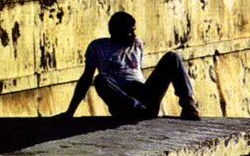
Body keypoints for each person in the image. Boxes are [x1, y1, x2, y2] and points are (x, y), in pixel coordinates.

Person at [62, 11, 200, 120]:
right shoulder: (98, 47)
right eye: (129, 32)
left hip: (144, 94)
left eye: (134, 30)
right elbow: (85, 79)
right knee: (100, 79)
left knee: (172, 57)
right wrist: (70, 111)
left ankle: (188, 105)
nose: (133, 35)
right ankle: (135, 108)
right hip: (122, 100)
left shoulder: (137, 44)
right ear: (115, 33)